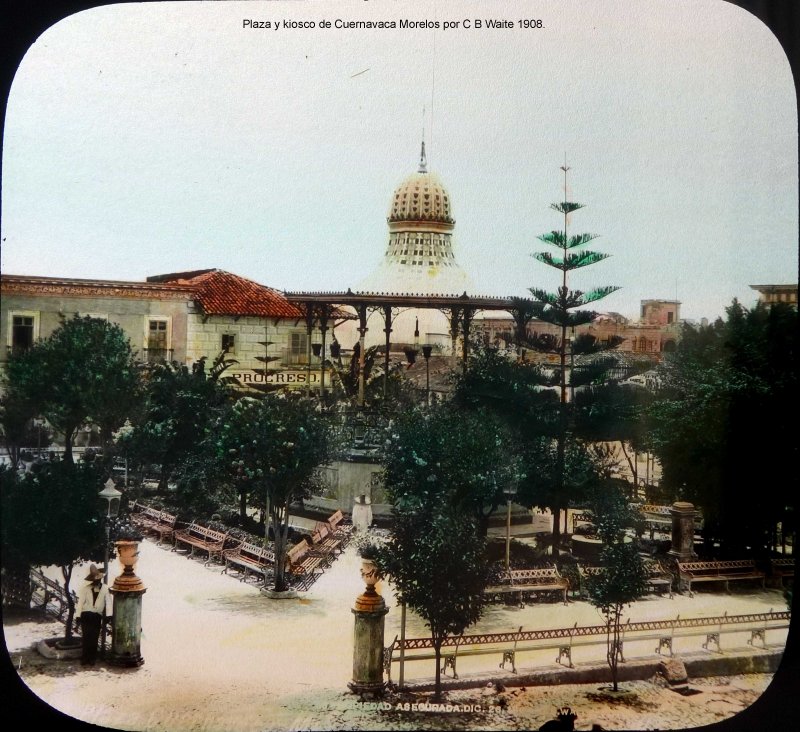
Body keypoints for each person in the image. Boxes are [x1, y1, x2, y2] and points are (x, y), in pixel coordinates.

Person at [74, 564, 109, 666]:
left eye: (98, 580)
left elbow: (109, 602)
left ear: (100, 579)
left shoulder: (105, 589)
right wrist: (78, 616)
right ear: (92, 580)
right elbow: (80, 603)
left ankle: (92, 658)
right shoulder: (85, 589)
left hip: (96, 616)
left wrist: (109, 616)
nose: (96, 582)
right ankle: (85, 658)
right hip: (86, 615)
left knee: (94, 637)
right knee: (86, 637)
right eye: (94, 580)